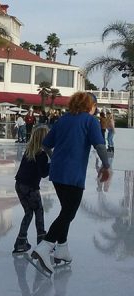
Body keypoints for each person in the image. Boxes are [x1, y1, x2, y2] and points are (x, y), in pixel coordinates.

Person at [29, 92, 111, 276]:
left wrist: (55, 160)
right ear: (90, 105)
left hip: (57, 173)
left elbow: (46, 144)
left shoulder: (63, 120)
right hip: (73, 174)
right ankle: (46, 246)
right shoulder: (90, 121)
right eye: (95, 106)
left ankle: (62, 249)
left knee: (66, 211)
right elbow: (99, 145)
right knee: (69, 213)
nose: (95, 109)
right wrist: (107, 167)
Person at [13, 125, 50, 254]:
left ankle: (21, 241)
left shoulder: (29, 151)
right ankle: (42, 243)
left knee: (29, 213)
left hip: (19, 185)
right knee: (39, 212)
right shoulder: (41, 155)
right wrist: (54, 163)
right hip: (30, 188)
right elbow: (44, 173)